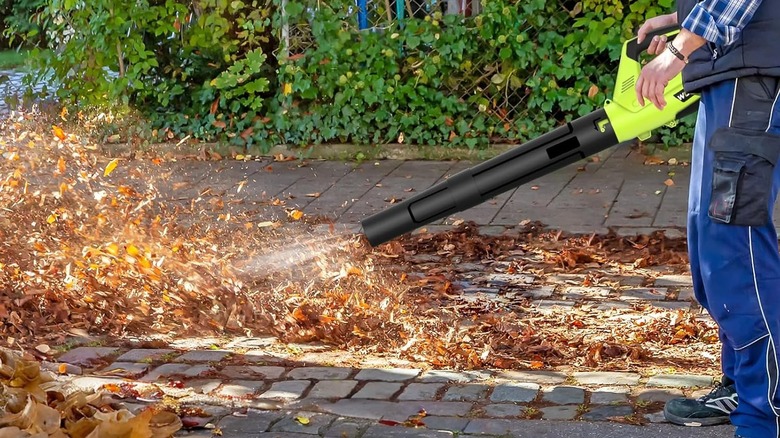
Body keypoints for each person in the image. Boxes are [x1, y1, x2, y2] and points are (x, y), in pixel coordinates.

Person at [635, 1, 780, 437]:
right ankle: (742, 387)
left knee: (736, 253)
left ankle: (763, 415)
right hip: (730, 75)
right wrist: (682, 19)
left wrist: (676, 50)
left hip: (753, 78)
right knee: (710, 245)